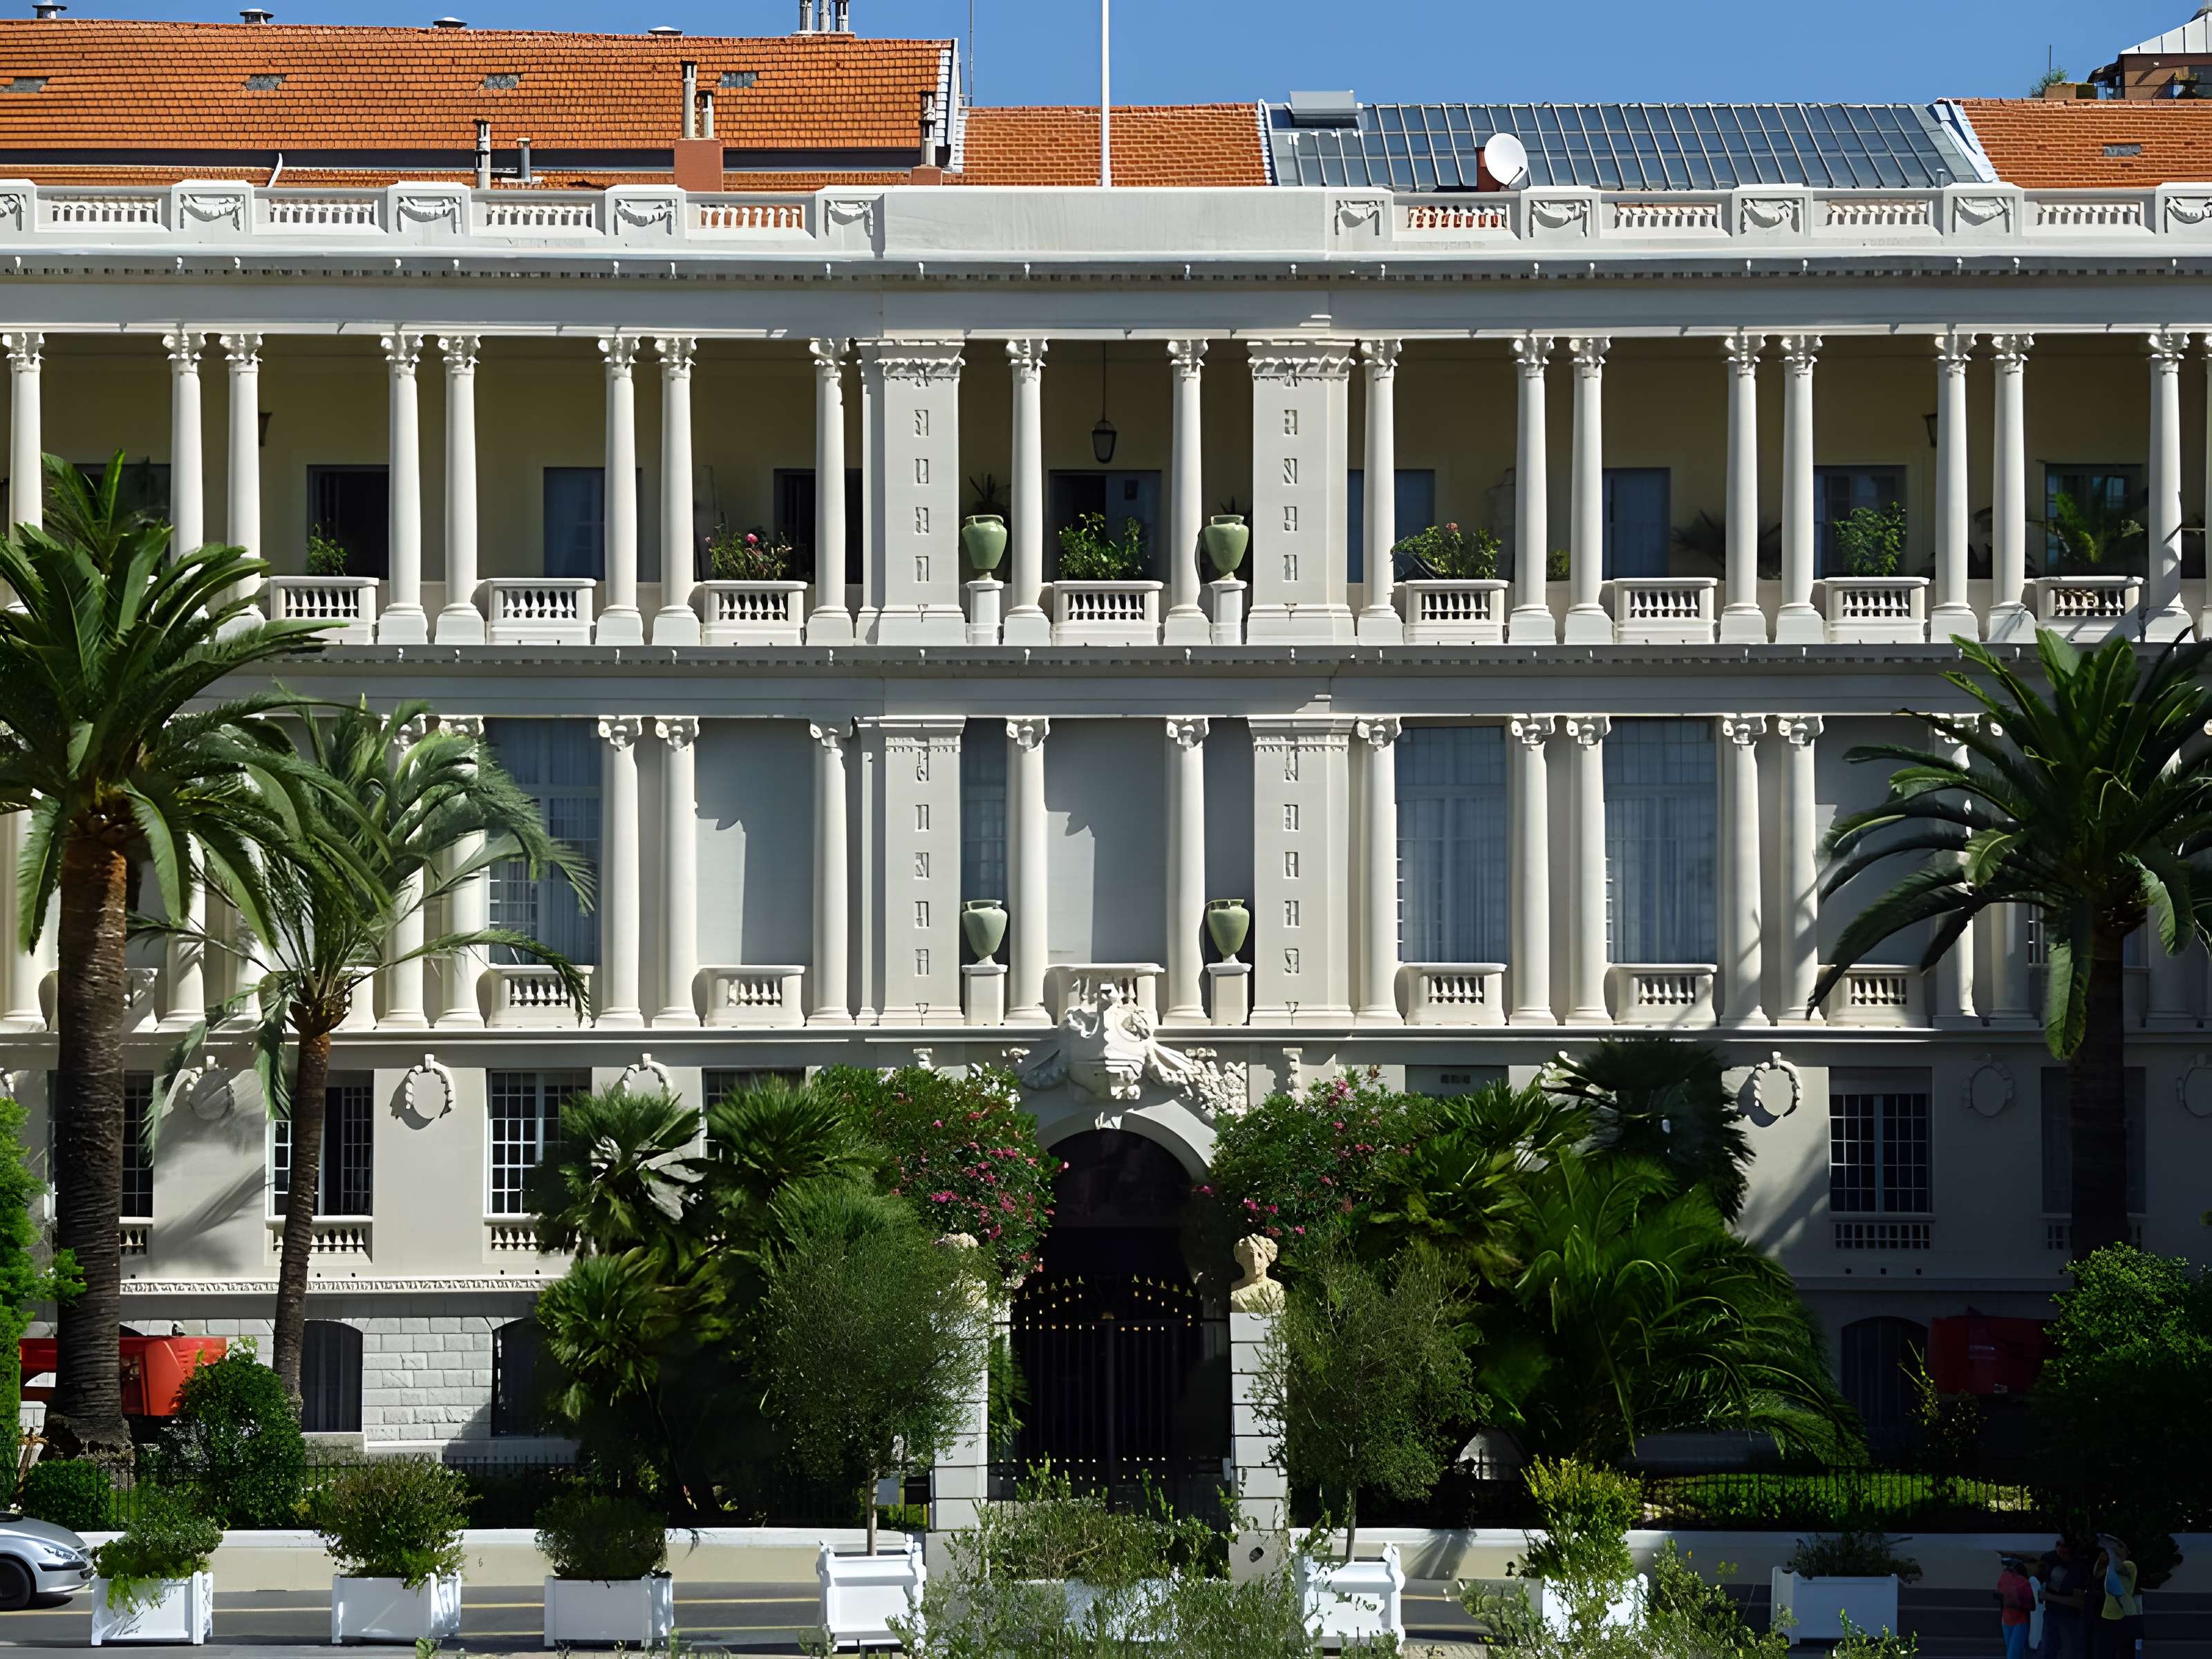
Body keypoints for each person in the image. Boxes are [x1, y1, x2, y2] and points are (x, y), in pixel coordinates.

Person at [2042, 1535, 2093, 1659]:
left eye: (2065, 1546)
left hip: (2070, 1618)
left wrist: (2049, 1596)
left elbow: (2078, 1602)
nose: (2061, 1549)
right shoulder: (2051, 1559)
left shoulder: (2079, 1568)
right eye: (2058, 1545)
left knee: (2070, 1652)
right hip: (2051, 1615)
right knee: (2047, 1652)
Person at [2094, 1534, 2142, 1659]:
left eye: (2120, 1548)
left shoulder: (2130, 1565)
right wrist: (2103, 1557)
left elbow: (2117, 1569)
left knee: (2125, 1653)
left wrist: (2109, 1549)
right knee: (2106, 1653)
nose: (2117, 1551)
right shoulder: (2110, 1568)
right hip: (2108, 1617)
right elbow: (2097, 1574)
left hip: (2126, 1617)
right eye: (2115, 1549)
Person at [1999, 1554, 2037, 1659]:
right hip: (2008, 1620)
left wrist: (2015, 1602)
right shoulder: (2005, 1583)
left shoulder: (2025, 1584)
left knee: (2013, 1653)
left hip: (2019, 1621)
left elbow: (2032, 1605)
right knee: (2014, 1652)